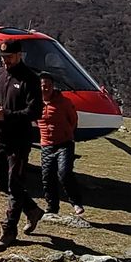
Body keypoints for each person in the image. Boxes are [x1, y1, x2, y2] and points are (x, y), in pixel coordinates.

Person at [0, 39, 44, 251]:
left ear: (19, 55)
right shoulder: (0, 74)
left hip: (19, 140)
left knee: (15, 184)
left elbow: (35, 111)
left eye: (9, 57)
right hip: (0, 136)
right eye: (2, 58)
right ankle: (33, 210)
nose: (5, 61)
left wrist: (6, 115)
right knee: (0, 180)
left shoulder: (30, 79)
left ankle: (9, 230)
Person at [37, 72, 84, 216]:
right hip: (46, 144)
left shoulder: (64, 102)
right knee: (47, 176)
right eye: (43, 86)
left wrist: (67, 133)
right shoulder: (34, 102)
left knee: (64, 173)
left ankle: (76, 202)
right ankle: (52, 207)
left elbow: (73, 120)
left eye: (49, 86)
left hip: (64, 143)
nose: (46, 89)